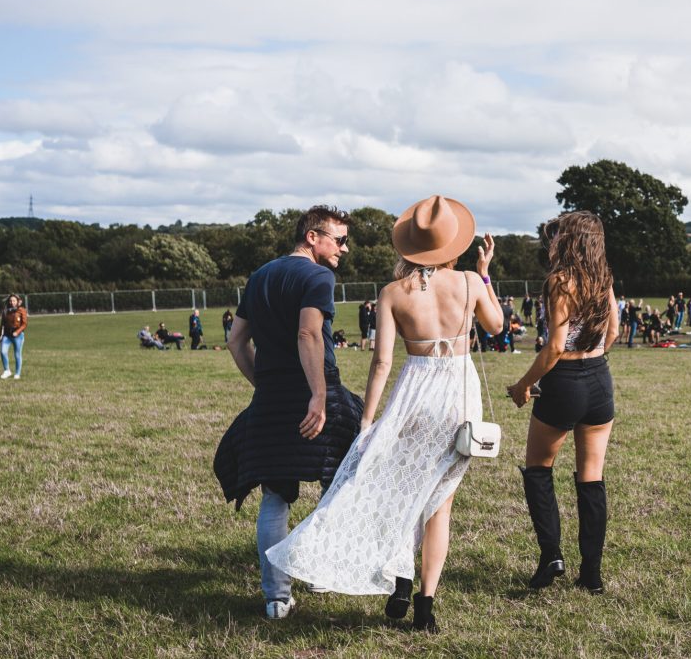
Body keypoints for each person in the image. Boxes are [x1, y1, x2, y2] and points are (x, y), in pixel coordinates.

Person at [266, 196, 501, 632]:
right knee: (438, 503)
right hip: (457, 394)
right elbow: (497, 326)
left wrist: (368, 419)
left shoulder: (393, 293)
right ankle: (425, 606)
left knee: (404, 489)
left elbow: (381, 363)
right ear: (453, 243)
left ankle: (400, 578)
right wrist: (485, 274)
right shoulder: (470, 281)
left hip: (414, 392)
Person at [213, 205, 363, 621]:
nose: (344, 249)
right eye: (339, 239)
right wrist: (317, 394)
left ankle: (276, 598)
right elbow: (308, 332)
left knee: (275, 497)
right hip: (318, 392)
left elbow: (235, 341)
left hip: (271, 399)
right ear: (312, 237)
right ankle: (320, 571)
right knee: (339, 482)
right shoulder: (318, 276)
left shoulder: (260, 275)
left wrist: (262, 384)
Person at [507, 210, 619, 596]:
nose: (551, 240)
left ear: (569, 240)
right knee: (592, 478)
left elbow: (555, 346)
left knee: (539, 469)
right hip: (599, 379)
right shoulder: (603, 277)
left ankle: (551, 556)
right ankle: (592, 573)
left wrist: (524, 384)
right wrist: (593, 359)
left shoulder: (561, 280)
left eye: (557, 234)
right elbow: (614, 331)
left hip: (564, 382)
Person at [0, 294, 28, 379]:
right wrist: (0, 335)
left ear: (18, 301)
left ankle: (17, 373)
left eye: (14, 301)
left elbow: (24, 324)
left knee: (17, 354)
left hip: (18, 336)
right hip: (7, 335)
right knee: (3, 351)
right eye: (10, 301)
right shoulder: (5, 311)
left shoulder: (22, 310)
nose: (12, 302)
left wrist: (17, 332)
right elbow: (2, 324)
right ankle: (7, 371)